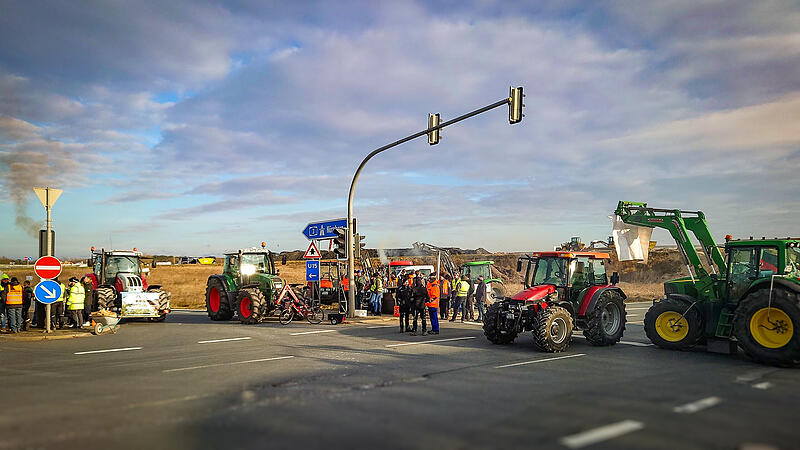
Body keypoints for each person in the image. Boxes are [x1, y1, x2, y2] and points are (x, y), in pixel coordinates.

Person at [410, 270, 428, 335]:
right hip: (422, 305)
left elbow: (411, 298)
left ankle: (414, 330)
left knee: (415, 318)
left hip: (415, 305)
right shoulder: (424, 289)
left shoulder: (414, 289)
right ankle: (424, 330)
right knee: (423, 318)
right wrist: (425, 301)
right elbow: (427, 297)